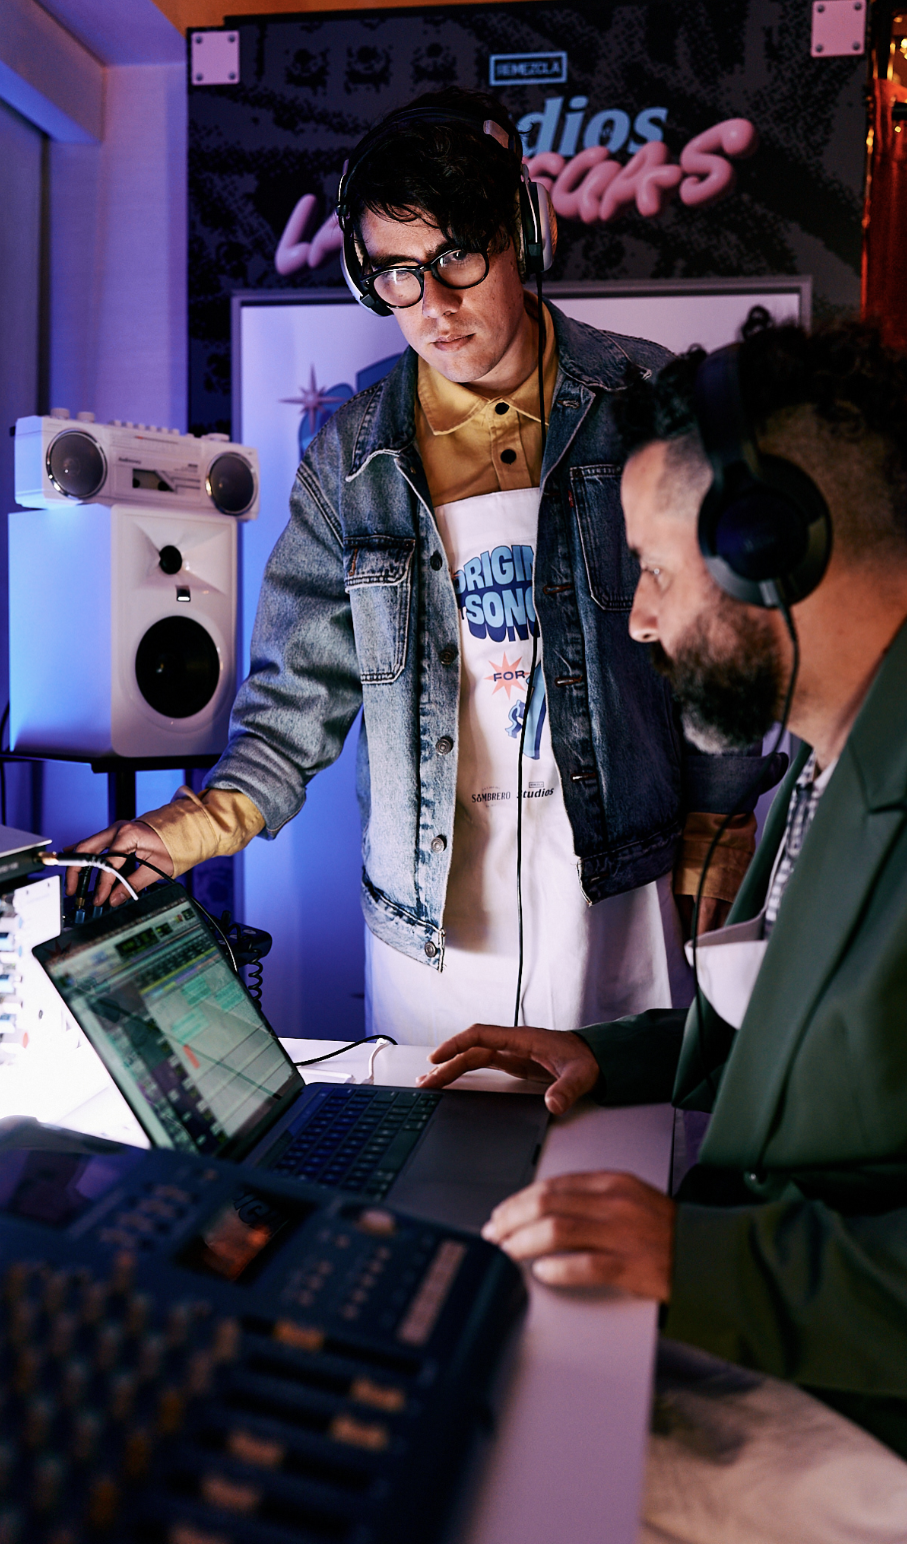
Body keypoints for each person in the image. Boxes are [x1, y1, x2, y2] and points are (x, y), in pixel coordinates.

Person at [419, 320, 907, 1536]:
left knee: (461, 1479)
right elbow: (809, 1014)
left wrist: (696, 1262)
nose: (638, 621)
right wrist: (615, 1053)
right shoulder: (840, 753)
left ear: (770, 551)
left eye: (652, 567)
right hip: (809, 1346)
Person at [67, 87, 766, 1045]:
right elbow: (296, 696)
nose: (433, 306)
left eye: (457, 259)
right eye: (397, 274)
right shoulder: (347, 456)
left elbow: (720, 641)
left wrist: (716, 842)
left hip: (628, 898)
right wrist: (187, 831)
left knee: (619, 1162)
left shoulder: (644, 401)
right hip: (431, 932)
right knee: (434, 1174)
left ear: (526, 235)